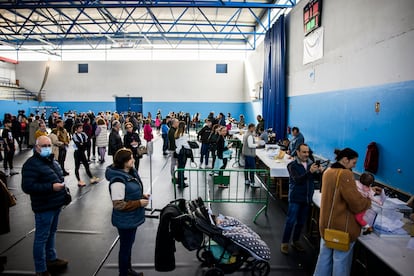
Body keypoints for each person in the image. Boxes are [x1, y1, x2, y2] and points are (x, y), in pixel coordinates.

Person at [314, 148, 372, 276]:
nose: (354, 166)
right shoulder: (345, 174)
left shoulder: (328, 171)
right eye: (353, 162)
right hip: (341, 228)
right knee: (341, 262)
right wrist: (368, 199)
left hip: (326, 225)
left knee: (324, 259)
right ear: (345, 160)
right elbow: (356, 204)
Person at [21, 136, 69, 276]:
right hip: (43, 206)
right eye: (44, 145)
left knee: (51, 233)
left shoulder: (52, 161)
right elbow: (27, 187)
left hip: (56, 204)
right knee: (41, 237)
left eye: (49, 145)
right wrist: (50, 187)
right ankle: (40, 269)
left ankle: (51, 258)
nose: (47, 147)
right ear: (37, 147)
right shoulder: (31, 164)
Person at [105, 148, 149, 276]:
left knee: (128, 246)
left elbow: (129, 192)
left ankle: (128, 270)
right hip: (125, 219)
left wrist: (141, 195)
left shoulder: (130, 172)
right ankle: (124, 273)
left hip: (132, 217)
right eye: (130, 158)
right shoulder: (118, 181)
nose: (133, 160)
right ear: (123, 162)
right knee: (125, 248)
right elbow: (119, 204)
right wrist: (139, 203)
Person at [280, 143, 322, 254]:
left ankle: (296, 241)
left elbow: (316, 179)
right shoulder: (292, 165)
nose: (306, 154)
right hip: (295, 198)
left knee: (301, 222)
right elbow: (297, 180)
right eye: (304, 152)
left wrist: (320, 172)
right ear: (298, 152)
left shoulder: (311, 165)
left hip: (307, 198)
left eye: (307, 152)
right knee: (290, 221)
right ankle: (284, 243)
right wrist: (310, 172)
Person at [242, 123, 264, 188]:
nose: (254, 129)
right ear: (251, 127)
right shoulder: (250, 135)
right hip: (250, 154)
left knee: (246, 168)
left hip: (246, 153)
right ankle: (252, 182)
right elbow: (250, 145)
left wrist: (256, 143)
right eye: (254, 128)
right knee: (252, 168)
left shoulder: (246, 134)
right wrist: (258, 145)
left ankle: (246, 180)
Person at [175, 121, 191, 188]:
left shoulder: (176, 134)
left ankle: (180, 182)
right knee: (182, 168)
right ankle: (182, 184)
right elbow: (186, 145)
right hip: (183, 153)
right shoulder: (184, 135)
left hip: (178, 152)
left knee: (179, 168)